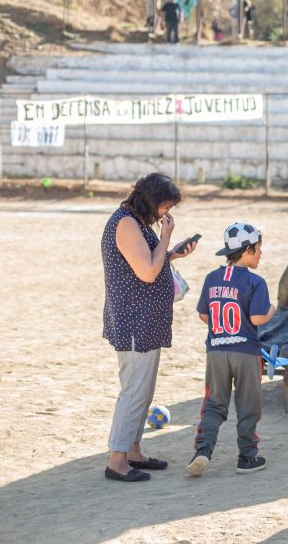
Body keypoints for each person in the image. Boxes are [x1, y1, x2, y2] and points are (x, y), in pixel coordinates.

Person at [102, 173, 197, 482]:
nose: (165, 214)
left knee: (143, 390)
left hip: (144, 319)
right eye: (164, 207)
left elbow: (150, 262)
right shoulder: (127, 223)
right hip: (134, 319)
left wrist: (170, 255)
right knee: (134, 390)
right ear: (151, 200)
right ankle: (117, 461)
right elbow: (146, 272)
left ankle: (132, 451)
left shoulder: (137, 221)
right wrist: (166, 238)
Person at [186, 222, 274, 477]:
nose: (260, 254)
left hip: (216, 350)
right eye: (259, 249)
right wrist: (272, 311)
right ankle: (247, 457)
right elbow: (258, 318)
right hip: (245, 351)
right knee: (248, 405)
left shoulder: (212, 278)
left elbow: (204, 314)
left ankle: (202, 451)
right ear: (249, 250)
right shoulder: (255, 281)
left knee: (214, 404)